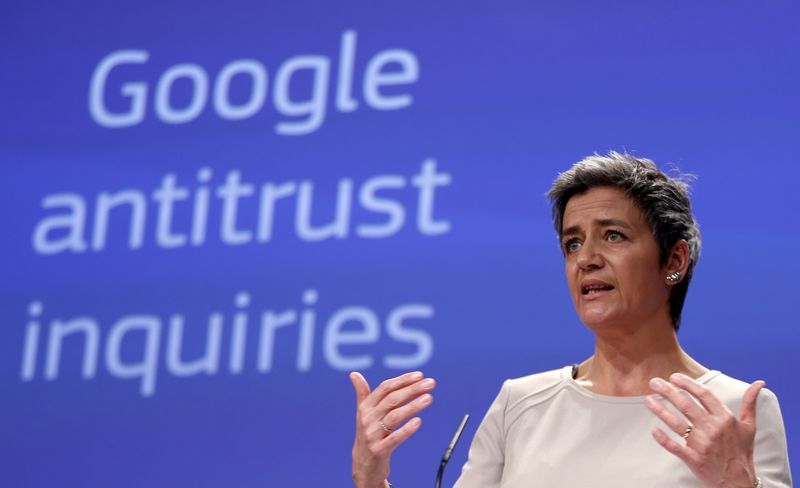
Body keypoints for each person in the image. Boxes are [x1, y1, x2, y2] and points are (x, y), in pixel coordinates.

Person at [349, 152, 792, 488]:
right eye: (573, 244)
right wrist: (372, 479)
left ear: (673, 259)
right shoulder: (519, 404)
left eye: (613, 236)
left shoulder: (733, 411)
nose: (587, 260)